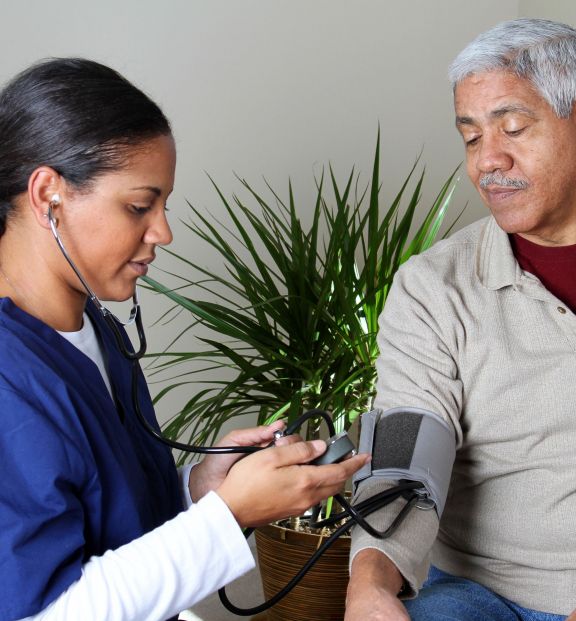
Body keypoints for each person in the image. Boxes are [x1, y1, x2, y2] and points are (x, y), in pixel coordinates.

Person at [0, 58, 369, 621]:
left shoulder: (99, 332)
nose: (162, 232)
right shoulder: (8, 378)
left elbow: (111, 518)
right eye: (139, 206)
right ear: (49, 193)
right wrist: (228, 515)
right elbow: (45, 611)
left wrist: (200, 488)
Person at [345, 17, 576, 621]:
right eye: (471, 138)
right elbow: (405, 455)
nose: (487, 162)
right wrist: (371, 583)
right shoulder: (433, 287)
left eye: (514, 128)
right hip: (474, 595)